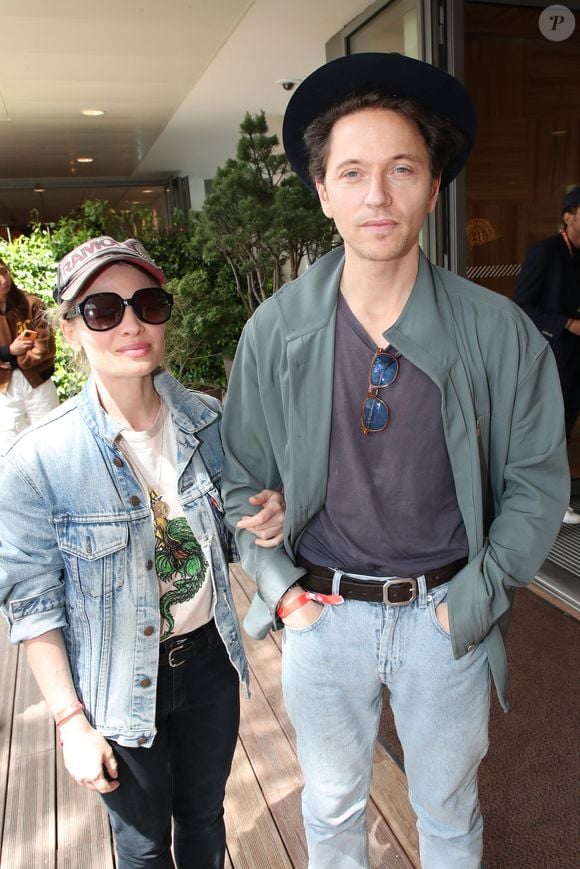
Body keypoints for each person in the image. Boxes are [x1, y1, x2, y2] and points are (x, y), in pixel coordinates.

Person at [220, 53, 570, 869]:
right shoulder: (277, 330)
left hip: (444, 610)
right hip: (323, 611)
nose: (377, 194)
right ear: (323, 192)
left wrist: (474, 597)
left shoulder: (498, 333)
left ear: (434, 187)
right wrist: (282, 588)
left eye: (402, 169)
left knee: (448, 811)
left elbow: (535, 482)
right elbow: (241, 477)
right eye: (353, 172)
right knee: (332, 804)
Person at [0, 236, 286, 869]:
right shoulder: (36, 461)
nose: (131, 324)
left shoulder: (209, 422)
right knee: (143, 845)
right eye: (103, 310)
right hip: (116, 676)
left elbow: (237, 534)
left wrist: (270, 515)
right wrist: (71, 723)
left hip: (209, 662)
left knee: (205, 820)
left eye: (148, 304)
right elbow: (32, 604)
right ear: (71, 331)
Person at [513, 186, 580, 525]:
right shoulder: (546, 251)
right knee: (554, 427)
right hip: (558, 354)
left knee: (568, 425)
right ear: (569, 217)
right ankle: (550, 502)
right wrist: (567, 323)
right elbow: (522, 305)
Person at [0, 257, 59, 450]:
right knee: (10, 446)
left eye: (3, 272)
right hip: (4, 389)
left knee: (51, 438)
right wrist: (9, 351)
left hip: (38, 382)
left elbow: (45, 344)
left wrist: (17, 360)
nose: (3, 280)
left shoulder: (32, 304)